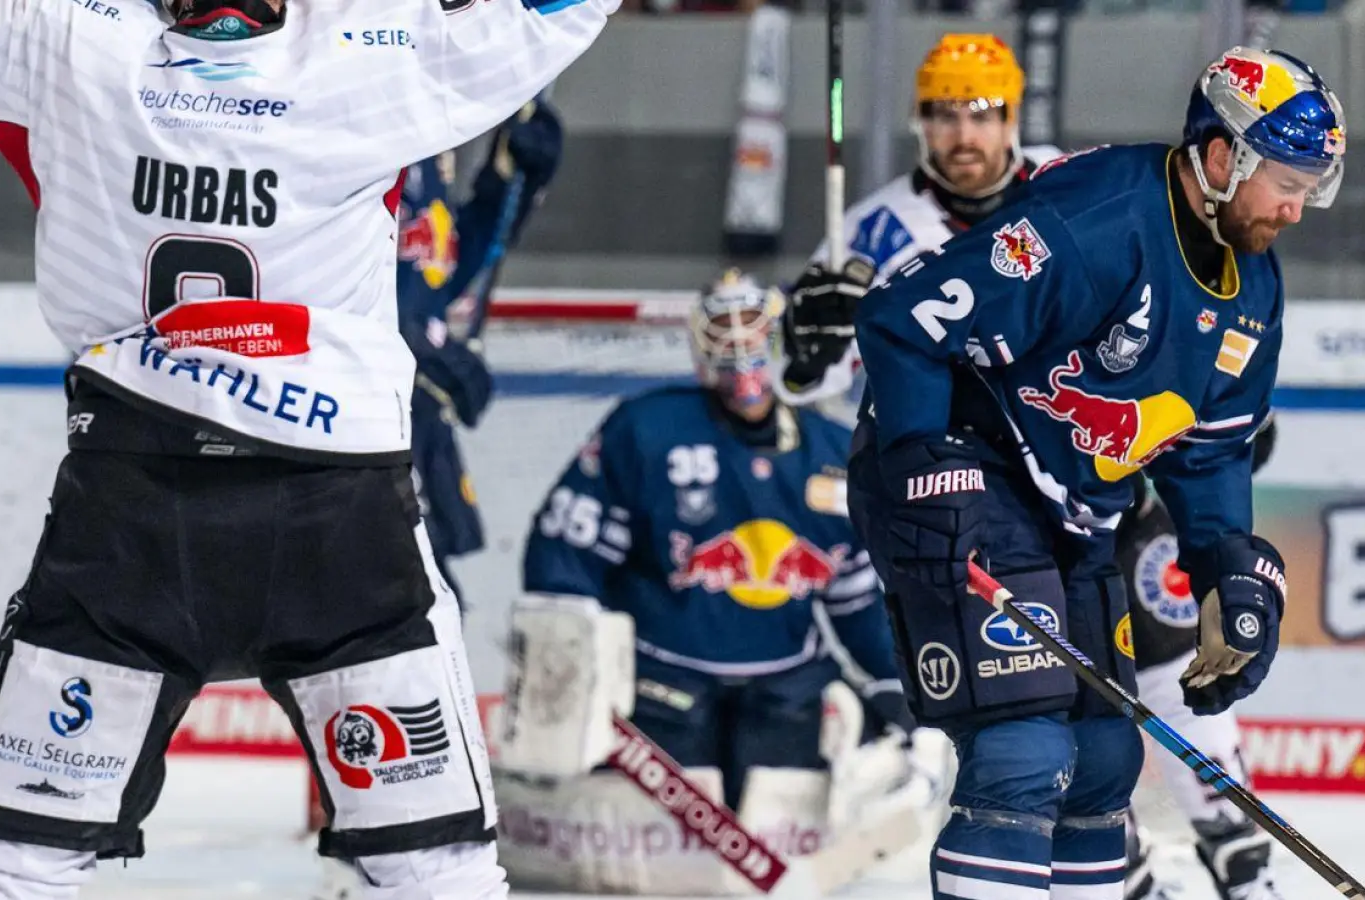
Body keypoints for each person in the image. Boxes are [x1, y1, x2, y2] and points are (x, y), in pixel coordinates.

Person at [0, 0, 619, 897]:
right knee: (435, 867)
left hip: (133, 510)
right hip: (340, 517)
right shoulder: (380, 50)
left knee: (9, 865)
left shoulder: (68, 41)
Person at [838, 46, 1340, 899]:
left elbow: (1210, 448)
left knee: (1104, 761)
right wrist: (923, 464)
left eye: (1310, 184)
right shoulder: (1096, 218)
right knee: (1021, 748)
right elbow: (900, 320)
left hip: (1072, 508)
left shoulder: (1255, 286)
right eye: (1287, 178)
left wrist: (1228, 571)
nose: (1297, 207)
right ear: (1223, 158)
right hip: (968, 460)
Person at [520, 269, 915, 813]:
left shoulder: (835, 455)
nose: (740, 348)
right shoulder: (646, 431)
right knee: (649, 820)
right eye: (724, 333)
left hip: (786, 689)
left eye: (753, 332)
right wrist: (569, 665)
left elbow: (857, 600)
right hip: (660, 683)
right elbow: (564, 556)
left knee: (786, 800)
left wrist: (891, 681)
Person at [778, 33, 1061, 412]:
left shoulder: (1066, 183)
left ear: (1011, 119)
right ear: (922, 123)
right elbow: (797, 384)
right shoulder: (872, 233)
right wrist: (807, 354)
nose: (964, 137)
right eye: (946, 115)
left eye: (981, 114)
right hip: (949, 450)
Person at [397, 102, 564, 608]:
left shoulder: (424, 139)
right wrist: (416, 351)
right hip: (349, 417)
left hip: (414, 418)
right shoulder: (343, 121)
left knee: (437, 600)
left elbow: (437, 271)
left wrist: (507, 185)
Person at [1122, 418, 1284, 900]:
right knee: (1064, 723)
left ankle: (1241, 859)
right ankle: (1122, 875)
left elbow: (1251, 435)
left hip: (1128, 518)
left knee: (1182, 688)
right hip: (1027, 525)